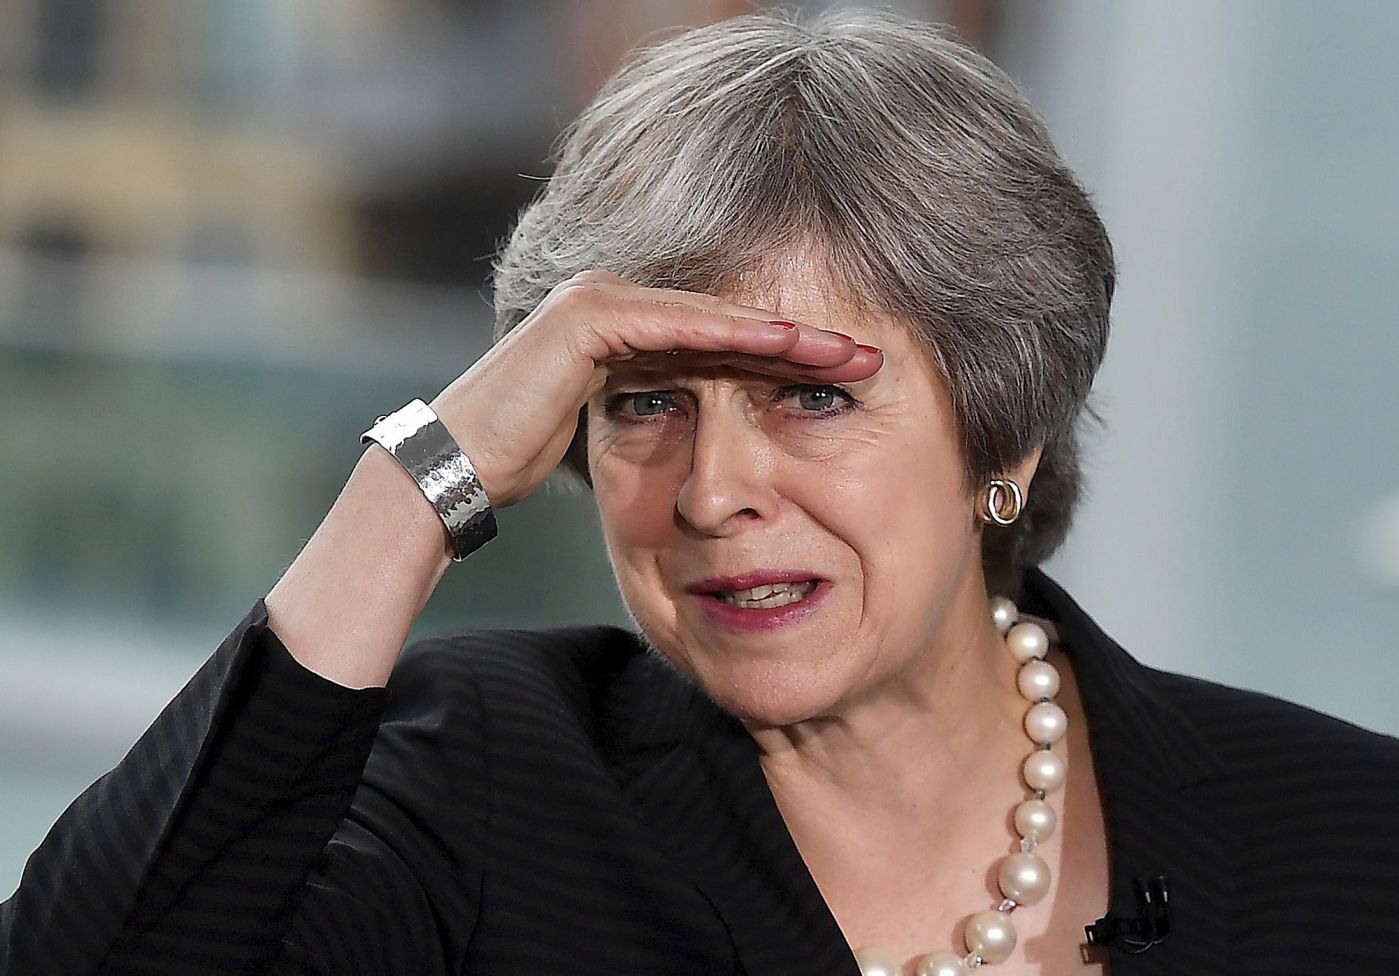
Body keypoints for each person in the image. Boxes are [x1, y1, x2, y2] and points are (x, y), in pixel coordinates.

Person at [3, 8, 1398, 976]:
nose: (714, 490)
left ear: (1004, 436)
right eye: (645, 402)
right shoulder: (481, 778)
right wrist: (415, 482)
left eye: (812, 395)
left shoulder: (1349, 841)